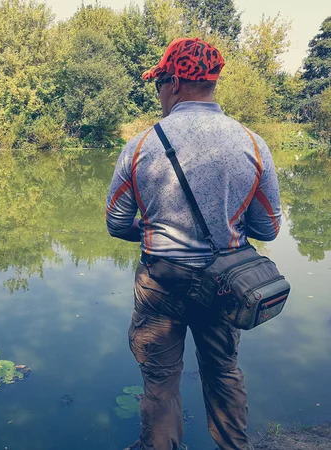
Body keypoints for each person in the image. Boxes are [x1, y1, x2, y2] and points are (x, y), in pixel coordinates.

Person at [105, 38, 282, 450]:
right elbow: (268, 229)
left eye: (158, 85)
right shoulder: (252, 145)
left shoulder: (141, 146)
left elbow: (116, 223)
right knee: (223, 371)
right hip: (224, 284)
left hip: (160, 283)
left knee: (160, 382)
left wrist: (151, 230)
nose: (159, 95)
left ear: (174, 84)